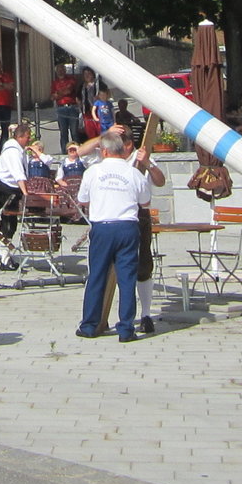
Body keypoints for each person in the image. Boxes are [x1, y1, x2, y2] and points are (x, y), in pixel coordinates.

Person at [75, 129, 155, 341]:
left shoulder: (93, 172)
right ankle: (126, 328)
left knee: (97, 276)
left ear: (104, 151)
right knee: (127, 279)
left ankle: (90, 325)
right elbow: (145, 202)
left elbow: (82, 199)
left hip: (102, 226)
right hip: (127, 226)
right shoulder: (134, 173)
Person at [0, 123, 34, 270]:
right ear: (20, 137)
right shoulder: (13, 152)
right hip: (6, 189)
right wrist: (27, 194)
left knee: (9, 221)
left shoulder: (17, 150)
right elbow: (18, 175)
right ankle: (4, 257)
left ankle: (4, 253)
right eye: (27, 137)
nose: (29, 140)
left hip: (10, 188)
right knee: (9, 222)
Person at [50, 63, 80, 152]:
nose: (60, 71)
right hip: (61, 108)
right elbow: (52, 97)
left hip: (71, 107)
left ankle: (77, 151)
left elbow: (69, 90)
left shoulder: (71, 79)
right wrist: (61, 93)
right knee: (63, 132)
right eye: (58, 69)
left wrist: (58, 94)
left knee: (74, 131)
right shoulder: (54, 82)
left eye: (62, 69)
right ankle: (64, 151)